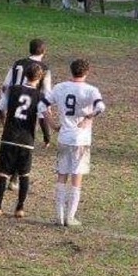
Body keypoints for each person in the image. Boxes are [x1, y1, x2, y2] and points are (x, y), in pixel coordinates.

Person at [0, 63, 51, 219]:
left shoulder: (12, 90)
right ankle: (19, 208)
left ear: (25, 75)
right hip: (26, 140)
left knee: (2, 174)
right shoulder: (40, 96)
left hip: (9, 137)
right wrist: (47, 137)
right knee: (24, 175)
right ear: (40, 78)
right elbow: (42, 119)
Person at [43, 58, 105, 227]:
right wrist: (88, 117)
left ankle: (59, 216)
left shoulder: (60, 88)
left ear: (71, 71)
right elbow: (100, 107)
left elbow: (42, 105)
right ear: (87, 72)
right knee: (76, 178)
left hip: (64, 137)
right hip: (81, 139)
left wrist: (52, 124)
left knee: (61, 176)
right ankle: (70, 217)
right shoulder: (91, 90)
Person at [0, 39, 52, 191]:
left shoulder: (17, 64)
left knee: (9, 138)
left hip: (13, 103)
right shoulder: (44, 69)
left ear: (29, 49)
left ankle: (1, 162)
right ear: (44, 51)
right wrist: (46, 108)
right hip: (31, 106)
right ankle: (14, 179)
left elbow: (5, 86)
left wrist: (4, 104)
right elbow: (47, 91)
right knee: (23, 142)